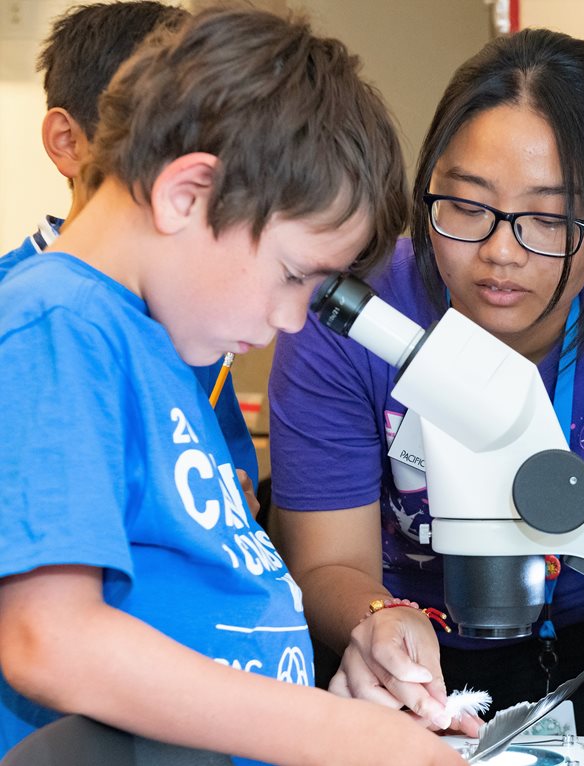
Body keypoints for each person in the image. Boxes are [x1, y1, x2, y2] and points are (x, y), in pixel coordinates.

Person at [0, 7, 466, 765]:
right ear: (187, 194)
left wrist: (322, 698)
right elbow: (47, 638)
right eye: (291, 275)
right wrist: (328, 733)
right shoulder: (56, 323)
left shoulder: (156, 346)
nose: (291, 321)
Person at [268, 27, 584, 737]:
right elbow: (328, 560)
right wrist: (381, 621)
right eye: (467, 206)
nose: (499, 253)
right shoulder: (352, 315)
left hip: (582, 645)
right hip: (395, 643)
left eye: (548, 217)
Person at [0, 0, 260, 504]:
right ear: (68, 142)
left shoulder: (192, 315)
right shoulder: (25, 312)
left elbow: (227, 470)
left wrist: (236, 505)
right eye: (166, 142)